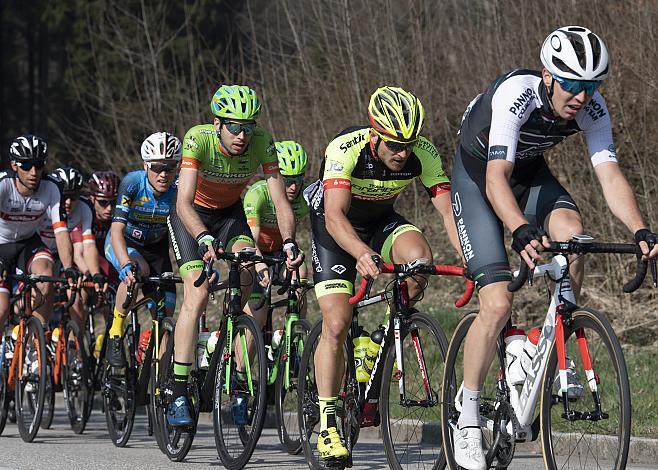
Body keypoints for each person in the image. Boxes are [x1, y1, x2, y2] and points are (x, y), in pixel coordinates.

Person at [450, 26, 658, 470]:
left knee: (572, 235)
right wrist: (520, 228)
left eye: (592, 85)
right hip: (479, 178)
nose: (582, 96)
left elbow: (609, 175)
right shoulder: (517, 94)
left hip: (527, 175)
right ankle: (466, 415)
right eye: (572, 84)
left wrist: (641, 229)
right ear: (547, 75)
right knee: (497, 300)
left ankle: (550, 338)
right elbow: (494, 179)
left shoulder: (593, 108)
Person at [305, 86, 461, 462]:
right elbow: (334, 214)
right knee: (338, 321)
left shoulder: (422, 152)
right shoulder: (346, 148)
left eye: (408, 144)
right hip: (334, 226)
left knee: (420, 259)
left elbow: (447, 213)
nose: (402, 152)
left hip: (379, 221)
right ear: (375, 135)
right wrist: (359, 252)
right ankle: (328, 426)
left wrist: (469, 256)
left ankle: (377, 339)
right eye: (393, 144)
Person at [166, 84, 302, 426]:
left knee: (258, 285)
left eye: (249, 126)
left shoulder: (262, 142)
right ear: (218, 124)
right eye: (234, 126)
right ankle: (178, 388)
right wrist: (201, 236)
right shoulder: (198, 139)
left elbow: (281, 202)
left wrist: (288, 242)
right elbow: (182, 202)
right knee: (196, 294)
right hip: (191, 217)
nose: (242, 135)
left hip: (230, 217)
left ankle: (240, 379)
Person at [104, 132, 181, 368]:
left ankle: (160, 380)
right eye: (157, 167)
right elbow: (116, 229)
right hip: (126, 243)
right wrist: (126, 263)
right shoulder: (133, 184)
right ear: (146, 165)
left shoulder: (179, 189)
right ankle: (115, 334)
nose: (163, 174)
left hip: (157, 247)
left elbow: (186, 230)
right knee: (136, 273)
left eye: (170, 167)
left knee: (165, 312)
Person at [0, 135, 78, 331]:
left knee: (46, 274)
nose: (33, 172)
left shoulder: (52, 187)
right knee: (1, 310)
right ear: (14, 165)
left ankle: (37, 339)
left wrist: (68, 268)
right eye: (26, 166)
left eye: (39, 165)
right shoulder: (3, 185)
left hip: (28, 242)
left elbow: (61, 231)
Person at [243, 140, 310, 324]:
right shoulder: (258, 195)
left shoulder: (304, 198)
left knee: (301, 271)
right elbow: (251, 239)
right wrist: (259, 265)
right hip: (256, 252)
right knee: (258, 317)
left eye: (298, 180)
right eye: (288, 181)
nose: (294, 187)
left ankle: (294, 332)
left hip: (282, 252)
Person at [39, 166, 106, 329]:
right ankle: (36, 335)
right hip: (38, 250)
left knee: (76, 300)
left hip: (64, 255)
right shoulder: (43, 203)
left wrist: (95, 273)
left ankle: (76, 346)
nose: (68, 203)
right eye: (64, 197)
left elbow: (88, 246)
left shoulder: (84, 208)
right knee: (38, 294)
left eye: (74, 197)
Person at [86, 171, 122, 285]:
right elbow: (83, 248)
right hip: (85, 258)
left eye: (114, 202)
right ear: (92, 199)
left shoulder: (121, 212)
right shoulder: (85, 212)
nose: (109, 208)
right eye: (103, 202)